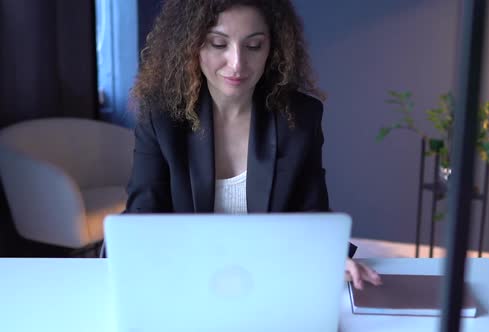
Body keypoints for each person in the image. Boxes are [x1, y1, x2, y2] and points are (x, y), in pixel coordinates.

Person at [126, 0, 381, 290]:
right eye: (219, 44)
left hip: (272, 281)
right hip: (185, 281)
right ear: (192, 46)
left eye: (254, 46)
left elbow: (312, 215)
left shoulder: (299, 117)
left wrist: (331, 255)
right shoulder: (160, 117)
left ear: (272, 48)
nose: (237, 63)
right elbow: (141, 219)